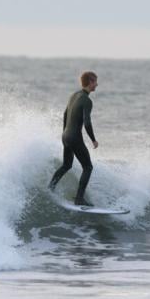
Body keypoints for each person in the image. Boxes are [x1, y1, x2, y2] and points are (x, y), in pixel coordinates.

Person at [48, 71, 99, 206]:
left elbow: (65, 114)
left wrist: (65, 132)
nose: (97, 84)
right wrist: (93, 139)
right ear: (90, 82)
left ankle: (50, 188)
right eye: (95, 82)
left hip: (65, 136)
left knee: (66, 165)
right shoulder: (87, 100)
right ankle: (79, 199)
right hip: (74, 137)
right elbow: (87, 122)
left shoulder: (73, 95)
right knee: (88, 167)